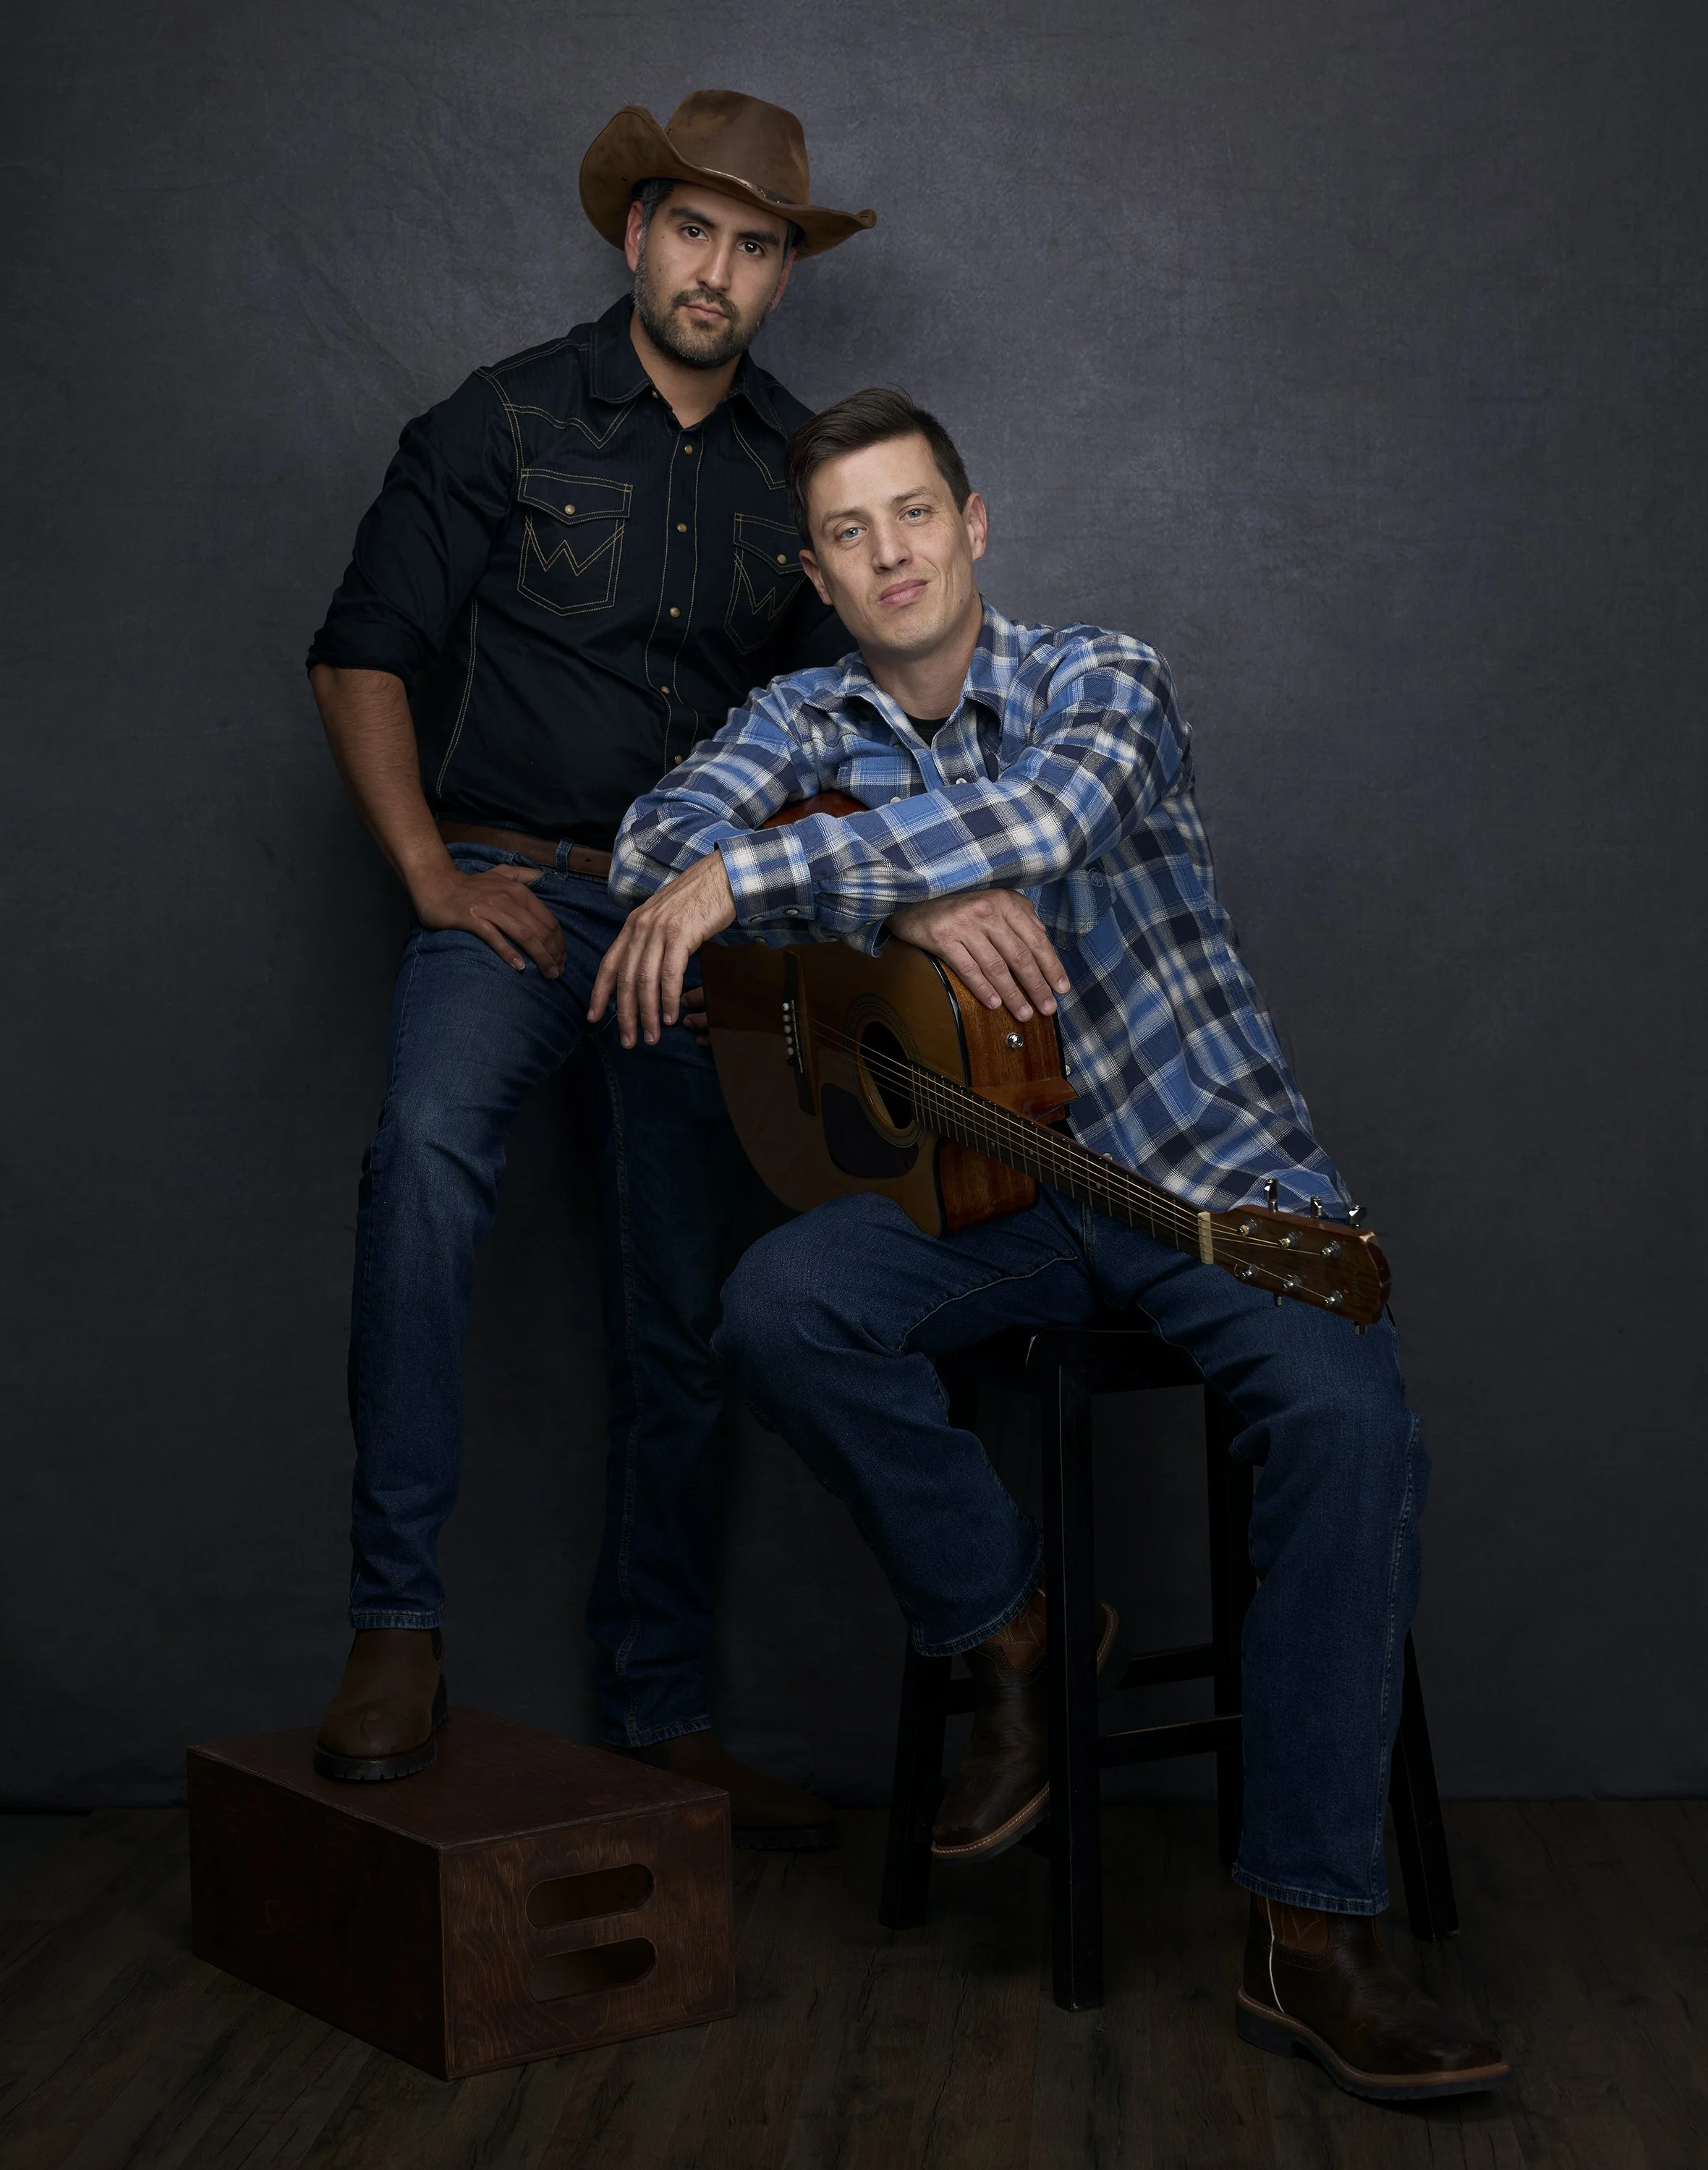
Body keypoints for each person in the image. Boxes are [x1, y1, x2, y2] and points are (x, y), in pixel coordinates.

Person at [590, 387, 1512, 2098]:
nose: (890, 555)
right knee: (779, 1307)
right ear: (818, 573)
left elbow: (1042, 826)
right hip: (986, 1199)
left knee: (1346, 1424)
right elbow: (653, 845)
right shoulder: (802, 716)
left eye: (913, 514)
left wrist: (800, 878)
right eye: (849, 534)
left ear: (974, 523)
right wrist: (895, 894)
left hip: (1202, 1176)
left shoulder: (1104, 678)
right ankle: (1015, 1627)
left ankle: (1307, 1934)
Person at [304, 91, 876, 1847]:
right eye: (691, 230)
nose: (716, 271)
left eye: (755, 246)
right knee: (423, 1163)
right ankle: (396, 1629)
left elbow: (830, 733)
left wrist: (757, 899)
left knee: (683, 1298)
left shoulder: (799, 478)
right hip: (511, 893)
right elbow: (362, 653)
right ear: (636, 235)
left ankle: (660, 1709)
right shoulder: (500, 419)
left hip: (692, 932)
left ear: (783, 277)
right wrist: (430, 876)